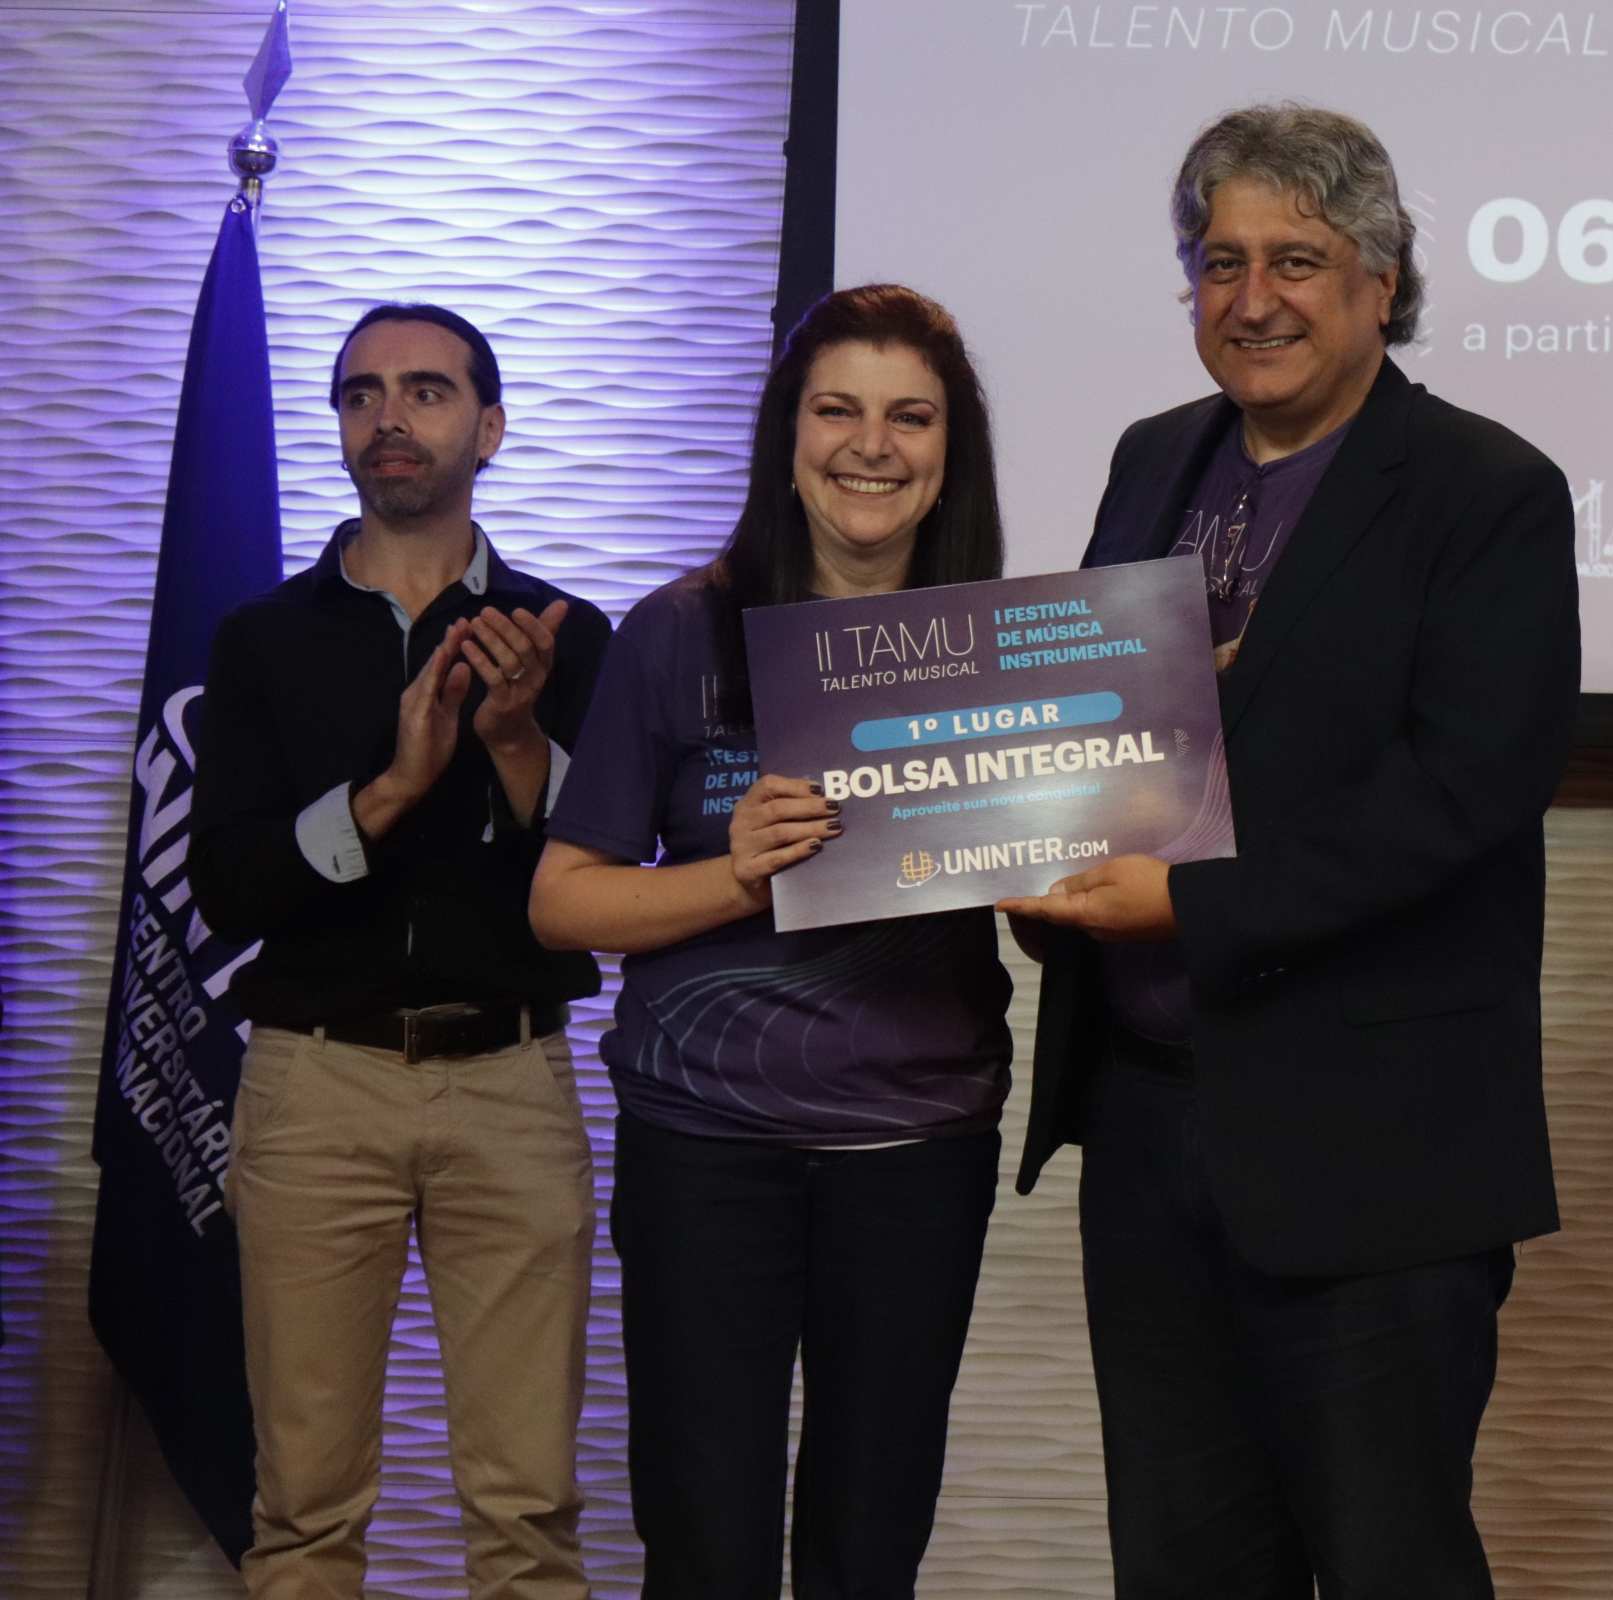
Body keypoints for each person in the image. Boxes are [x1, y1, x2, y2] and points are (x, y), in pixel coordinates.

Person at [998, 104, 1581, 1599]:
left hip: (1373, 1153)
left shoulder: (1487, 490)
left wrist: (1186, 907)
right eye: (1220, 262)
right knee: (1179, 1569)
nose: (1252, 299)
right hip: (1148, 1129)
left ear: (1382, 280)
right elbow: (1108, 733)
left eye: (1297, 262)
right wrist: (1031, 861)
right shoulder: (1152, 459)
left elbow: (1466, 793)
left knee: (1389, 1562)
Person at [526, 284, 1013, 1600]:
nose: (872, 446)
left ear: (950, 450)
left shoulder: (1003, 653)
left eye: (911, 417)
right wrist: (736, 875)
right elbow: (563, 901)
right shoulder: (677, 632)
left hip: (917, 1151)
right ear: (787, 435)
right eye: (837, 410)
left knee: (869, 1550)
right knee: (706, 1545)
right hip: (704, 1149)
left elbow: (1066, 882)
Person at [189, 302, 613, 1598]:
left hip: (512, 1083)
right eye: (361, 393)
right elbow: (227, 887)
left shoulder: (566, 632)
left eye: (427, 390)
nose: (390, 416)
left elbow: (607, 874)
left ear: (490, 427)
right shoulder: (263, 638)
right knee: (305, 1512)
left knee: (528, 1517)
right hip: (317, 1086)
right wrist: (391, 788)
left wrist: (516, 743)